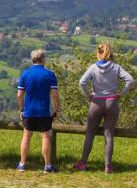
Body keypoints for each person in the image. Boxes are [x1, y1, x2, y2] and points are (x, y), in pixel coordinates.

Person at [74, 42, 134, 174]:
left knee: (90, 134)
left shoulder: (93, 68)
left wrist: (89, 95)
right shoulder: (116, 67)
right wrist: (121, 93)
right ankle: (107, 167)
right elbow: (130, 80)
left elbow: (82, 82)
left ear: (98, 53)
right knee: (109, 135)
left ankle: (83, 163)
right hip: (112, 102)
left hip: (96, 102)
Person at [16, 49, 60, 173]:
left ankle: (22, 164)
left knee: (26, 136)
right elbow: (55, 94)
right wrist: (57, 109)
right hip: (43, 111)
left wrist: (22, 109)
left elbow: (19, 95)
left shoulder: (25, 74)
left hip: (29, 111)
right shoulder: (49, 74)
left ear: (32, 59)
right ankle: (47, 165)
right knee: (45, 137)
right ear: (43, 59)